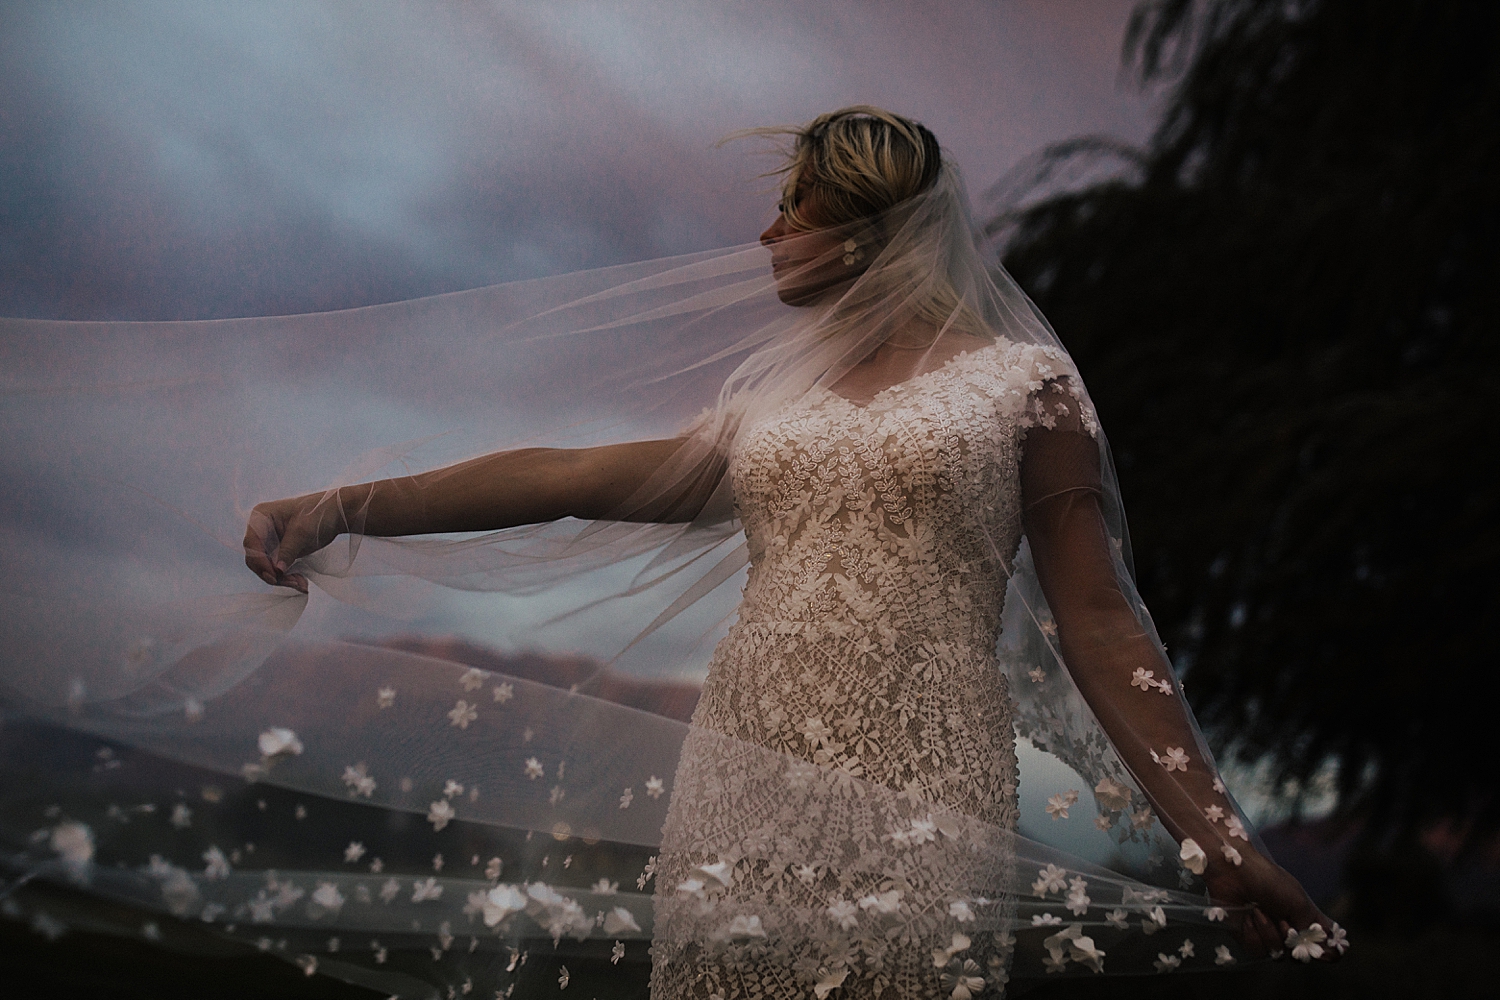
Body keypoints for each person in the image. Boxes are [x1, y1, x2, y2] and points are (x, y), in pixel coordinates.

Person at [240, 107, 1339, 998]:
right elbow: (570, 474)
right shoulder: (773, 404)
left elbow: (1098, 617)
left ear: (864, 222)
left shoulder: (1022, 385)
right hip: (742, 768)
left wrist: (1217, 836)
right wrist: (343, 504)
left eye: (789, 208)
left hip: (922, 774)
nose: (765, 236)